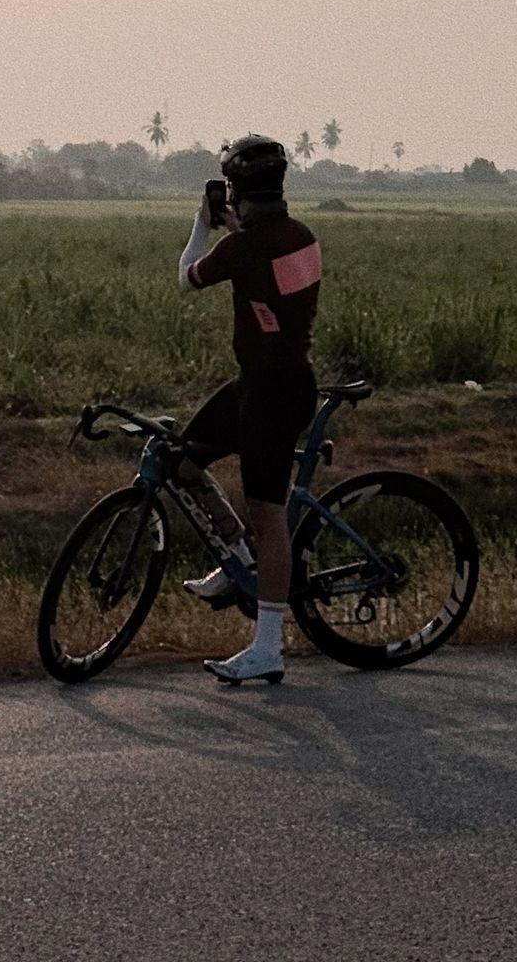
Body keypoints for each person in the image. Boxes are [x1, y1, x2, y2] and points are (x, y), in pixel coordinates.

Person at [174, 135, 323, 686]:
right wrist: (235, 230)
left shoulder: (245, 247)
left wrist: (201, 224)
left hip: (274, 394)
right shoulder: (297, 236)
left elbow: (188, 274)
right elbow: (265, 263)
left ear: (237, 191)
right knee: (184, 462)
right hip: (264, 383)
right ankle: (236, 563)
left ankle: (268, 647)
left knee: (270, 521)